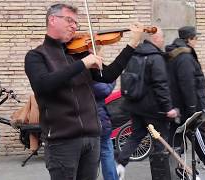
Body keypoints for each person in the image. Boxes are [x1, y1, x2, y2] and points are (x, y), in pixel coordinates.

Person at [24, 3, 143, 180]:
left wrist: (132, 45)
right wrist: (83, 64)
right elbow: (43, 85)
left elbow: (108, 75)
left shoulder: (78, 53)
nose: (74, 26)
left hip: (92, 138)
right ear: (52, 19)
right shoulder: (36, 56)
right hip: (62, 140)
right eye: (69, 20)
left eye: (76, 23)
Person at [115, 27, 178, 180]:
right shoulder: (155, 57)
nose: (163, 40)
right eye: (162, 37)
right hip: (153, 110)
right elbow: (161, 85)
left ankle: (120, 163)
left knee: (136, 135)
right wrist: (168, 108)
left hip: (135, 105)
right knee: (160, 143)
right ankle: (161, 176)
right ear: (155, 39)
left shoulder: (134, 54)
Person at [166, 26, 205, 169]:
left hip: (178, 103)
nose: (197, 41)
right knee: (197, 130)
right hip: (188, 104)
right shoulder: (185, 56)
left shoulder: (175, 53)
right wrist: (192, 108)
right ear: (189, 39)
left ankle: (173, 163)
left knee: (176, 135)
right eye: (196, 38)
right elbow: (187, 84)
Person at [91, 81, 118, 180]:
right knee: (106, 152)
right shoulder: (89, 72)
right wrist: (111, 79)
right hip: (98, 119)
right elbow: (104, 90)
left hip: (90, 119)